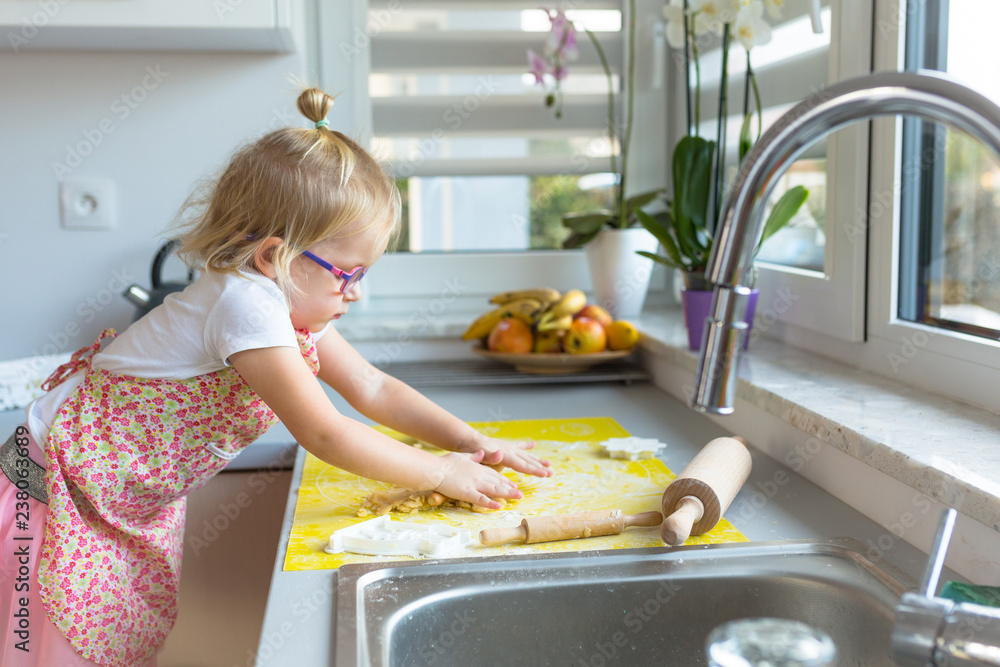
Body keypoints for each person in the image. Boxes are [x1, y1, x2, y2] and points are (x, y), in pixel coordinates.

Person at [0, 87, 552, 667]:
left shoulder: (286, 308)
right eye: (347, 273)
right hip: (49, 497)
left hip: (112, 502)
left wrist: (469, 442)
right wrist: (440, 470)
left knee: (104, 648)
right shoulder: (245, 305)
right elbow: (326, 433)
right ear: (273, 258)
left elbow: (372, 387)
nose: (355, 292)